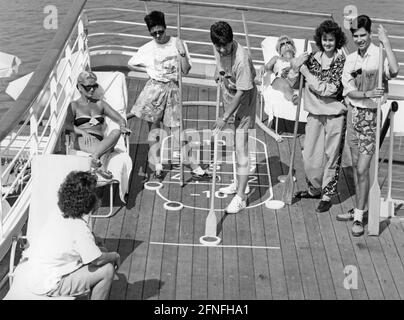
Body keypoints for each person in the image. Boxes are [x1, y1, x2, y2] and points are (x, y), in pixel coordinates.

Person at [126, 10, 211, 181]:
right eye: (154, 33)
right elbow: (130, 63)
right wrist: (148, 70)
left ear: (165, 28)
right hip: (154, 90)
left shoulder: (178, 43)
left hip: (173, 90)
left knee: (178, 131)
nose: (158, 35)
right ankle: (157, 164)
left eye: (160, 31)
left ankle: (195, 167)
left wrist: (181, 53)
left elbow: (186, 70)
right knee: (154, 130)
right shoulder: (147, 48)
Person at [337, 15, 399, 236]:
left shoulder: (378, 55)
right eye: (356, 36)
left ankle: (359, 217)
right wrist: (367, 93)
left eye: (363, 35)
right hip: (354, 116)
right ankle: (358, 210)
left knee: (363, 169)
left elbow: (394, 71)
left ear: (370, 34)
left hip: (371, 117)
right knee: (355, 167)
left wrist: (387, 43)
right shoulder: (351, 58)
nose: (360, 39)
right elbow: (348, 90)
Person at [22, 171, 120, 300]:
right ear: (89, 200)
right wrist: (115, 255)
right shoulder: (78, 228)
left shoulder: (58, 212)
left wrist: (96, 242)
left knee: (100, 248)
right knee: (107, 270)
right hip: (48, 284)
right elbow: (97, 260)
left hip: (37, 273)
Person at [294, 20, 348, 214]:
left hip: (335, 115)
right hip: (314, 114)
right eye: (324, 39)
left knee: (331, 157)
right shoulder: (311, 58)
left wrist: (306, 72)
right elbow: (293, 79)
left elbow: (330, 90)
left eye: (331, 40)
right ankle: (315, 188)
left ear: (337, 41)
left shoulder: (341, 62)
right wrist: (295, 65)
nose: (327, 43)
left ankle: (327, 195)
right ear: (320, 39)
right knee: (309, 157)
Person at [210, 21, 257, 214]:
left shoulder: (241, 60)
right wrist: (217, 72)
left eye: (225, 46)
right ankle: (239, 183)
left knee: (241, 148)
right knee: (235, 148)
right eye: (218, 46)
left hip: (243, 101)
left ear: (232, 41)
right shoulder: (218, 47)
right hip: (228, 92)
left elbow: (241, 93)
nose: (222, 49)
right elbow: (219, 60)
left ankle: (241, 197)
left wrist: (225, 116)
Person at [66, 71, 131, 179]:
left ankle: (95, 158)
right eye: (88, 87)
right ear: (80, 87)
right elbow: (66, 125)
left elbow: (120, 118)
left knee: (116, 132)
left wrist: (123, 125)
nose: (92, 89)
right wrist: (82, 132)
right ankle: (102, 168)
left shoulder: (100, 104)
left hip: (100, 140)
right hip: (84, 139)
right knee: (108, 148)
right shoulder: (74, 105)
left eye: (94, 86)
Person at [259, 35, 303, 103]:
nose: (286, 45)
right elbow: (267, 67)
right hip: (280, 80)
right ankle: (293, 98)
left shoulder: (298, 59)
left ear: (293, 47)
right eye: (282, 44)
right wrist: (263, 67)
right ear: (279, 50)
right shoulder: (276, 58)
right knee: (285, 84)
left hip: (295, 80)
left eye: (288, 43)